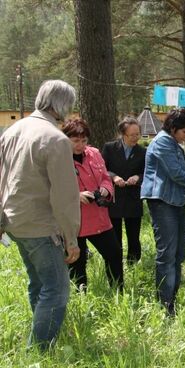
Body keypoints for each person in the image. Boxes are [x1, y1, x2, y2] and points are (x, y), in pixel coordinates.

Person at [0, 80, 80, 350]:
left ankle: (41, 334)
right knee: (56, 289)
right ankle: (40, 349)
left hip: (14, 222)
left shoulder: (13, 130)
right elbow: (65, 197)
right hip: (42, 226)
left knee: (39, 283)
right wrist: (71, 238)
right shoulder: (56, 139)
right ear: (62, 105)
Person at [141, 109, 185, 316]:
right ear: (173, 129)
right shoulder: (163, 143)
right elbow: (176, 172)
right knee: (167, 254)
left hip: (175, 201)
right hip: (162, 201)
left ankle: (172, 298)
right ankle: (165, 304)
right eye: (184, 132)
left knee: (178, 252)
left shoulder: (173, 143)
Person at [63, 118, 124, 291]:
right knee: (77, 262)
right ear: (64, 138)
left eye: (84, 140)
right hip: (75, 222)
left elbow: (105, 177)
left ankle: (118, 292)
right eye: (75, 141)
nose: (80, 145)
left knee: (114, 254)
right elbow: (52, 188)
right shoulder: (58, 158)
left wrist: (105, 189)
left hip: (99, 218)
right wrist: (76, 196)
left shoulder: (94, 153)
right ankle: (81, 298)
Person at [102, 116, 146, 265]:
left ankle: (133, 264)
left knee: (134, 235)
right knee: (115, 235)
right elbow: (102, 170)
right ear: (122, 134)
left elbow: (147, 173)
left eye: (137, 134)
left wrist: (138, 177)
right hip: (114, 198)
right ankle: (116, 263)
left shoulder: (142, 152)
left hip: (133, 198)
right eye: (131, 135)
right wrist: (113, 177)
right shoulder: (110, 148)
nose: (135, 138)